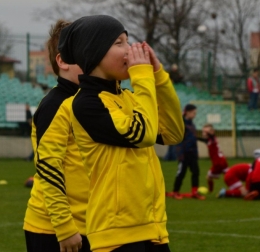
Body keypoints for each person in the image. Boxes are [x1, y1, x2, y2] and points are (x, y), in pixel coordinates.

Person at [58, 15, 184, 252]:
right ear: (93, 52)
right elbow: (143, 135)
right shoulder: (87, 103)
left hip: (153, 227)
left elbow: (172, 134)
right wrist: (142, 77)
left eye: (128, 41)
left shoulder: (128, 98)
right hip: (116, 235)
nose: (129, 50)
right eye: (119, 43)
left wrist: (159, 78)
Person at [23, 20, 90, 252]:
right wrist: (64, 226)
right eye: (87, 52)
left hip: (91, 225)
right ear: (62, 61)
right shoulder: (55, 103)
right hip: (55, 229)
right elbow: (49, 167)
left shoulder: (91, 101)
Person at [166, 104, 205, 200]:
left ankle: (195, 192)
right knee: (181, 173)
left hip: (192, 153)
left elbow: (193, 138)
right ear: (187, 112)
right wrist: (180, 153)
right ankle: (175, 192)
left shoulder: (191, 124)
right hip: (184, 153)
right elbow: (179, 139)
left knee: (196, 172)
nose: (195, 115)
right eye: (193, 113)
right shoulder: (182, 123)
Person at [199, 124, 228, 192]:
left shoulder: (212, 138)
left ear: (212, 132)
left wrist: (207, 132)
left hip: (218, 162)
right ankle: (237, 187)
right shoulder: (210, 140)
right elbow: (203, 140)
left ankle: (210, 190)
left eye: (206, 132)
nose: (204, 133)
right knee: (228, 175)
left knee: (208, 177)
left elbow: (211, 136)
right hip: (222, 160)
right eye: (203, 131)